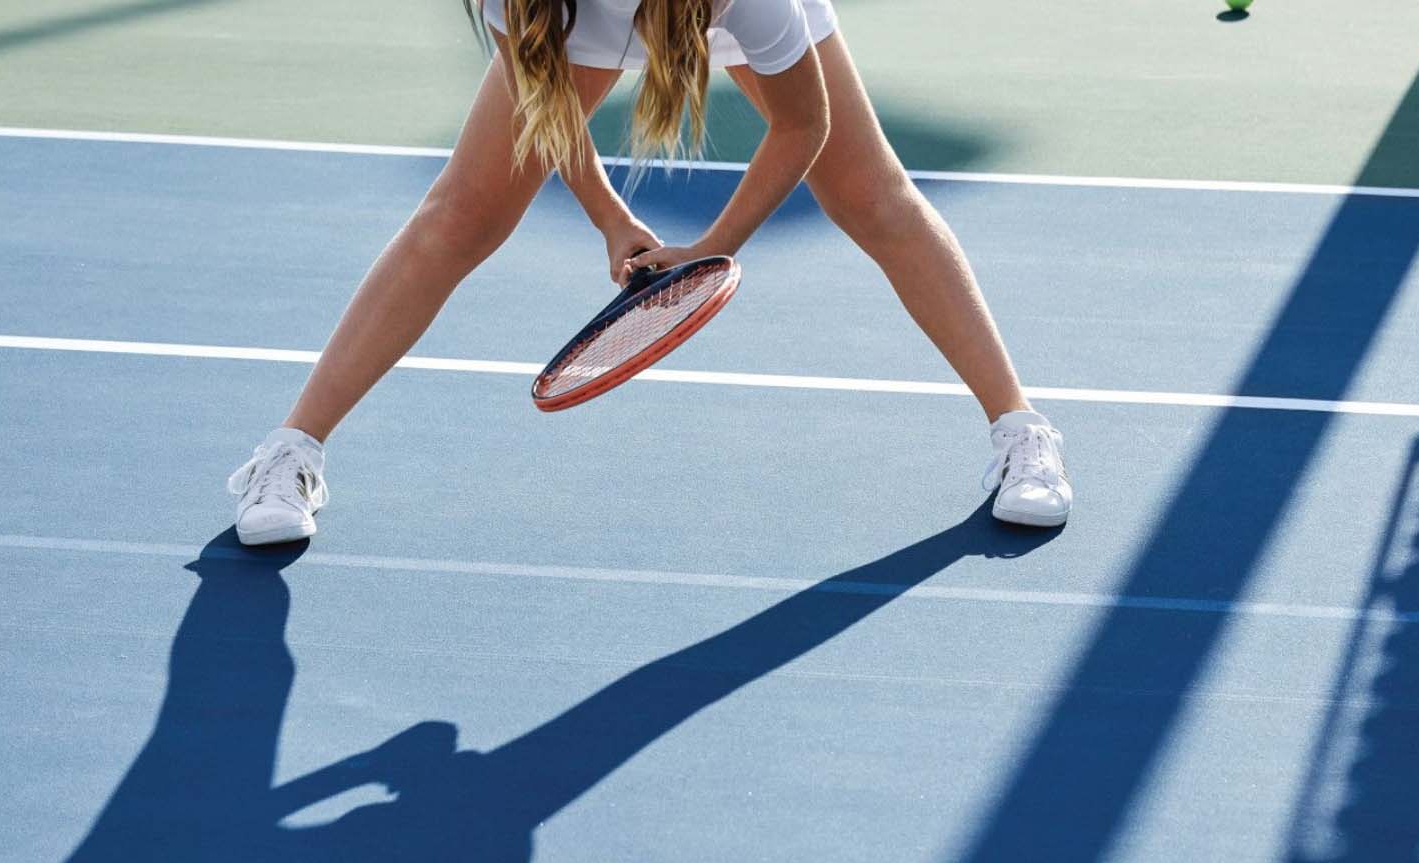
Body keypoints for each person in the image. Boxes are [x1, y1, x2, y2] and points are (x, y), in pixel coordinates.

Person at [228, 0, 1072, 544]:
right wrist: (607, 215)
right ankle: (288, 453)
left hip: (718, 9)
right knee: (460, 215)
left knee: (877, 199)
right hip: (574, 18)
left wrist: (716, 244)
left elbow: (801, 123)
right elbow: (548, 107)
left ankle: (1022, 435)